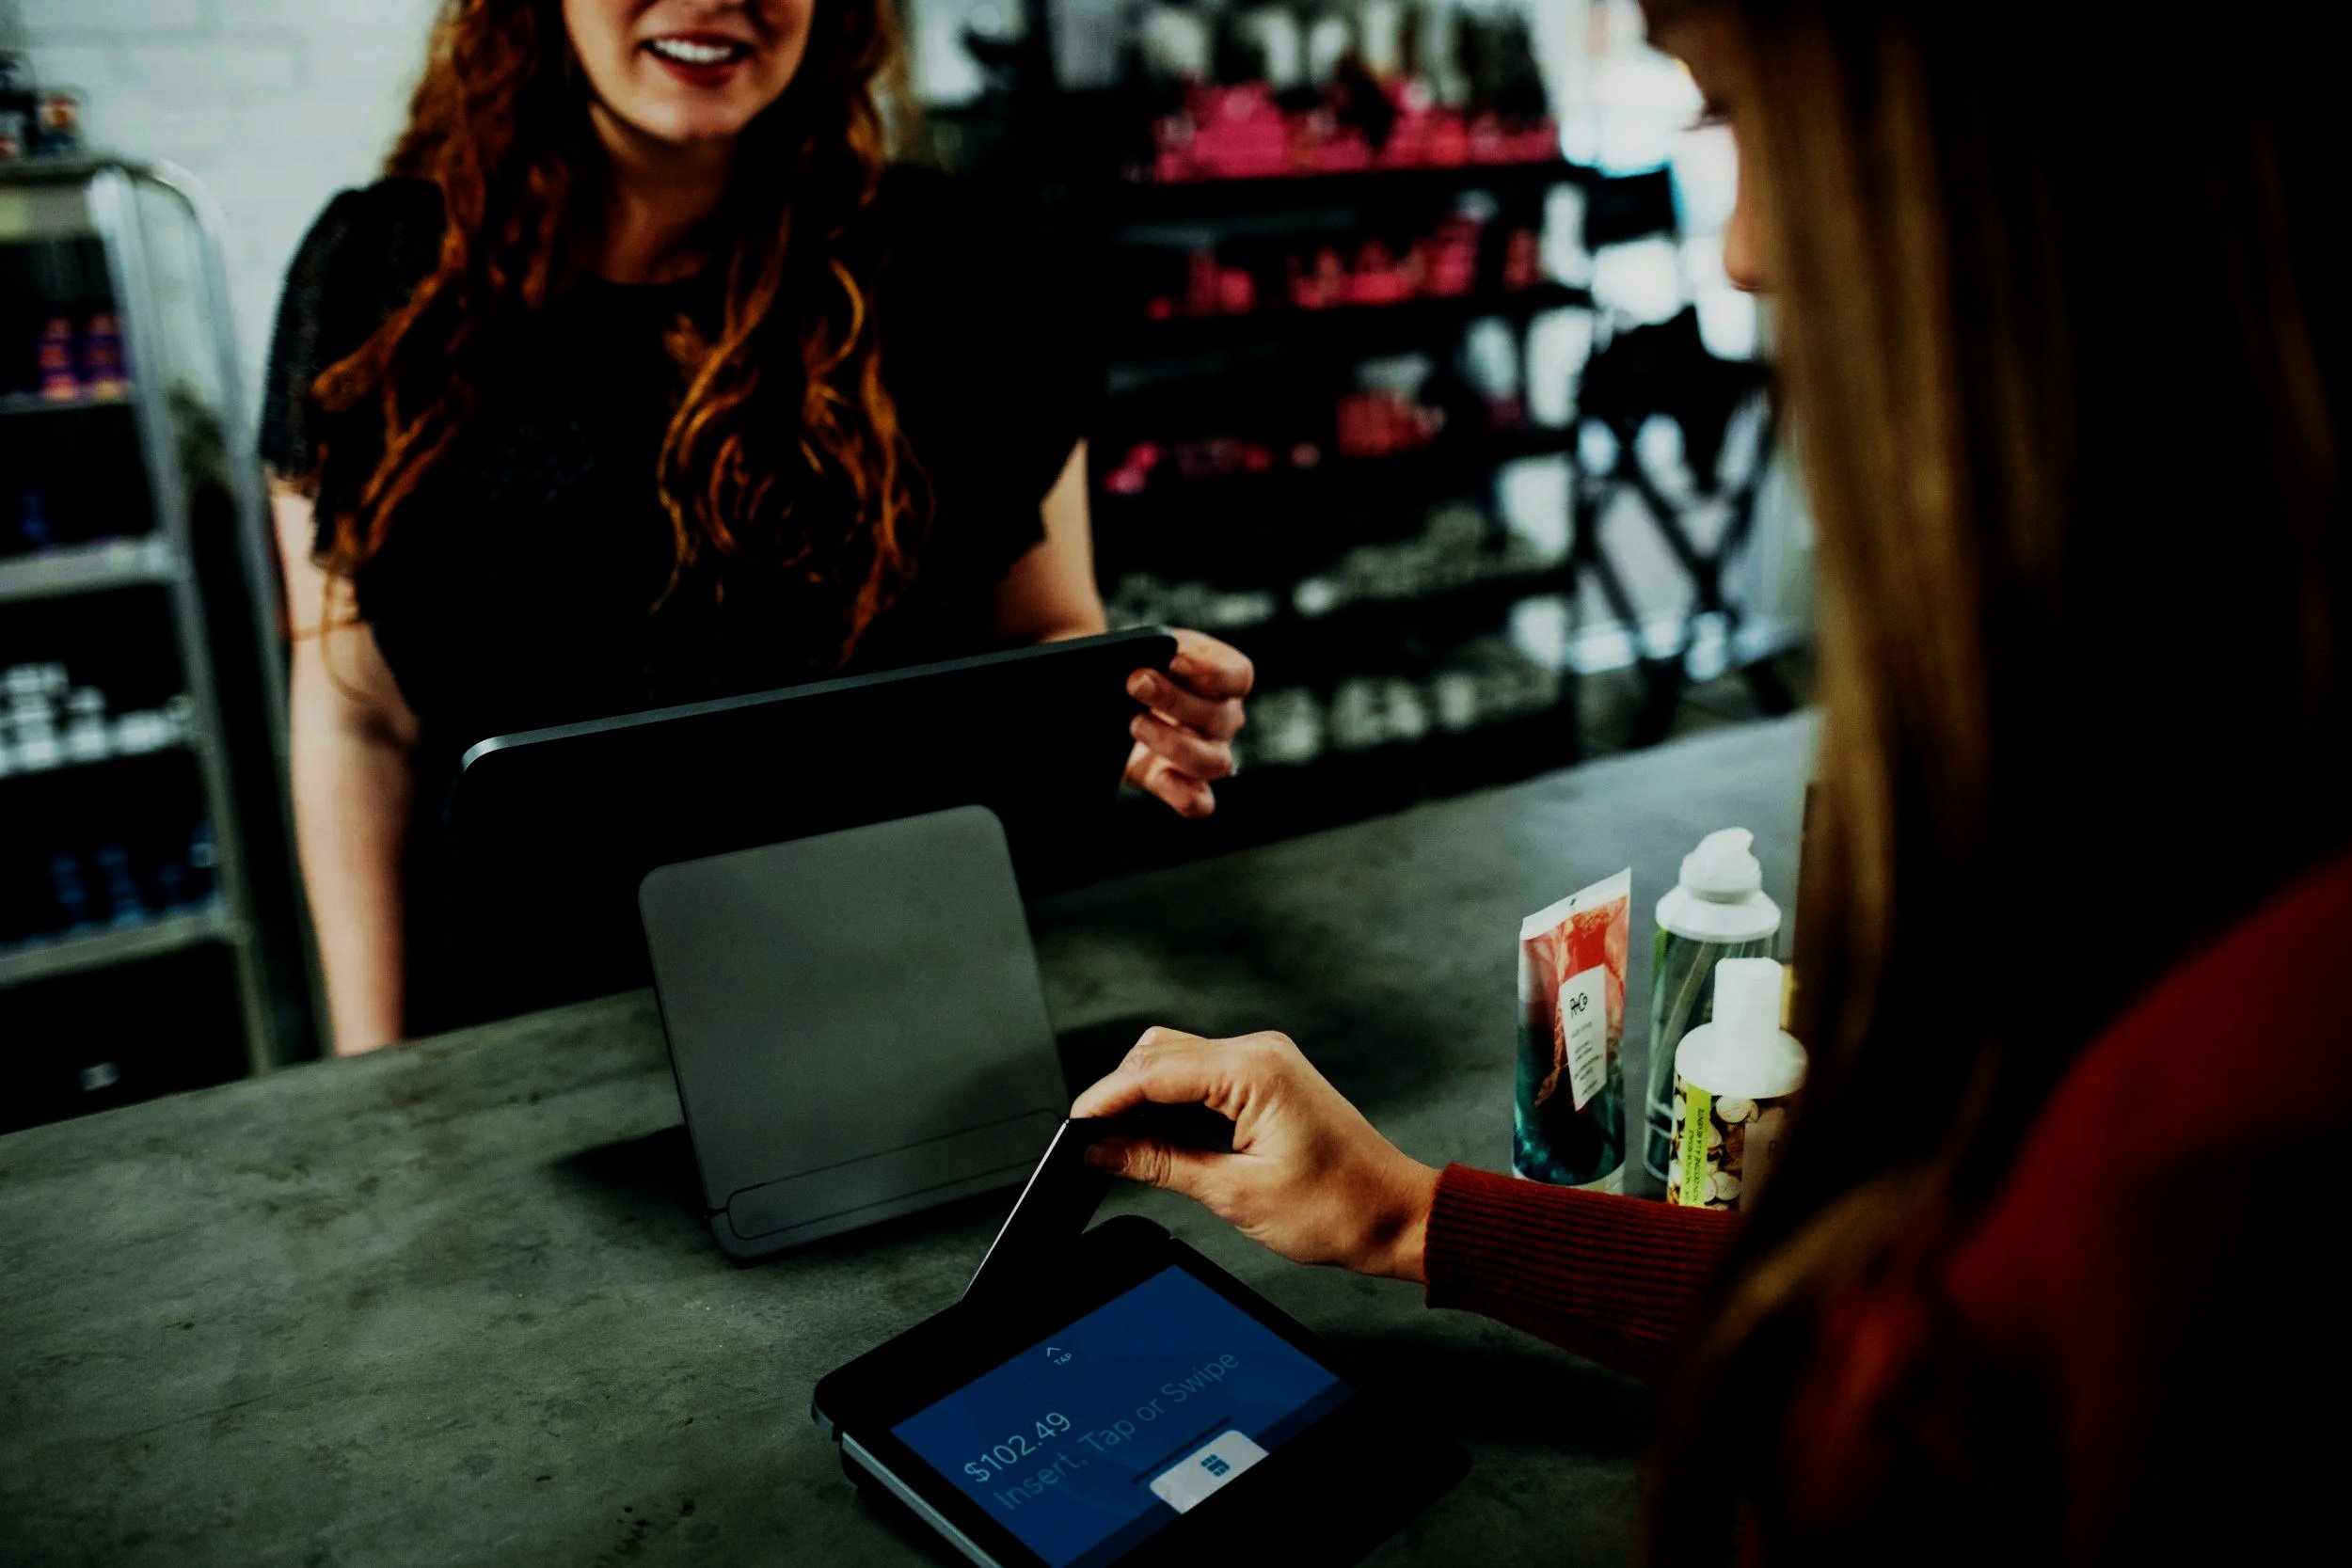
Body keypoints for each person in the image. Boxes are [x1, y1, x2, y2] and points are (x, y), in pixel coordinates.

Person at [1073, 1, 2344, 1560]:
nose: (1739, 249)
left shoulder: (2225, 1127)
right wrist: (1410, 1213)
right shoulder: (2187, 890)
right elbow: (1928, 1311)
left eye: (1742, 112)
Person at [262, 0, 1253, 1053]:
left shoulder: (957, 269)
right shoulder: (375, 276)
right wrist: (376, 1076)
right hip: (523, 1036)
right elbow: (357, 719)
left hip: (888, 1002)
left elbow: (1045, 629)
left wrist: (1122, 706)